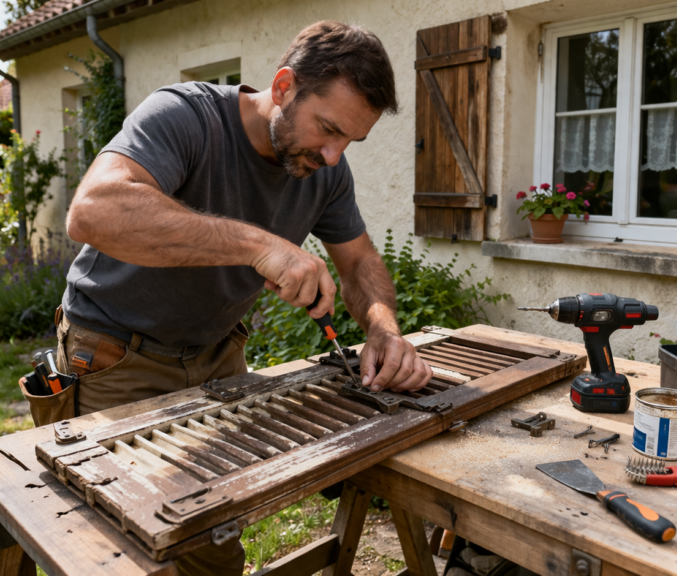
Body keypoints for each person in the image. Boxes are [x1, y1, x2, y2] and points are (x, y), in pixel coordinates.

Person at [49, 20, 432, 576]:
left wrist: (383, 327)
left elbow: (360, 261)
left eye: (350, 140)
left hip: (217, 355)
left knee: (212, 541)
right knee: (119, 551)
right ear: (282, 88)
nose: (333, 155)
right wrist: (257, 245)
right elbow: (92, 212)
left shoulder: (325, 170)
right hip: (115, 356)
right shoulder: (184, 115)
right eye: (327, 129)